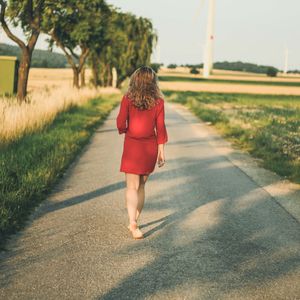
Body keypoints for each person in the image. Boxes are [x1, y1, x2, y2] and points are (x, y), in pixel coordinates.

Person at [116, 66, 168, 239]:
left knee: (132, 186)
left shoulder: (128, 99)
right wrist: (161, 150)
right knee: (141, 186)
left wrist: (125, 129)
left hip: (132, 146)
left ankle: (133, 222)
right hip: (150, 148)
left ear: (135, 80)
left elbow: (120, 122)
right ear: (153, 82)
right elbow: (160, 127)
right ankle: (134, 221)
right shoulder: (159, 102)